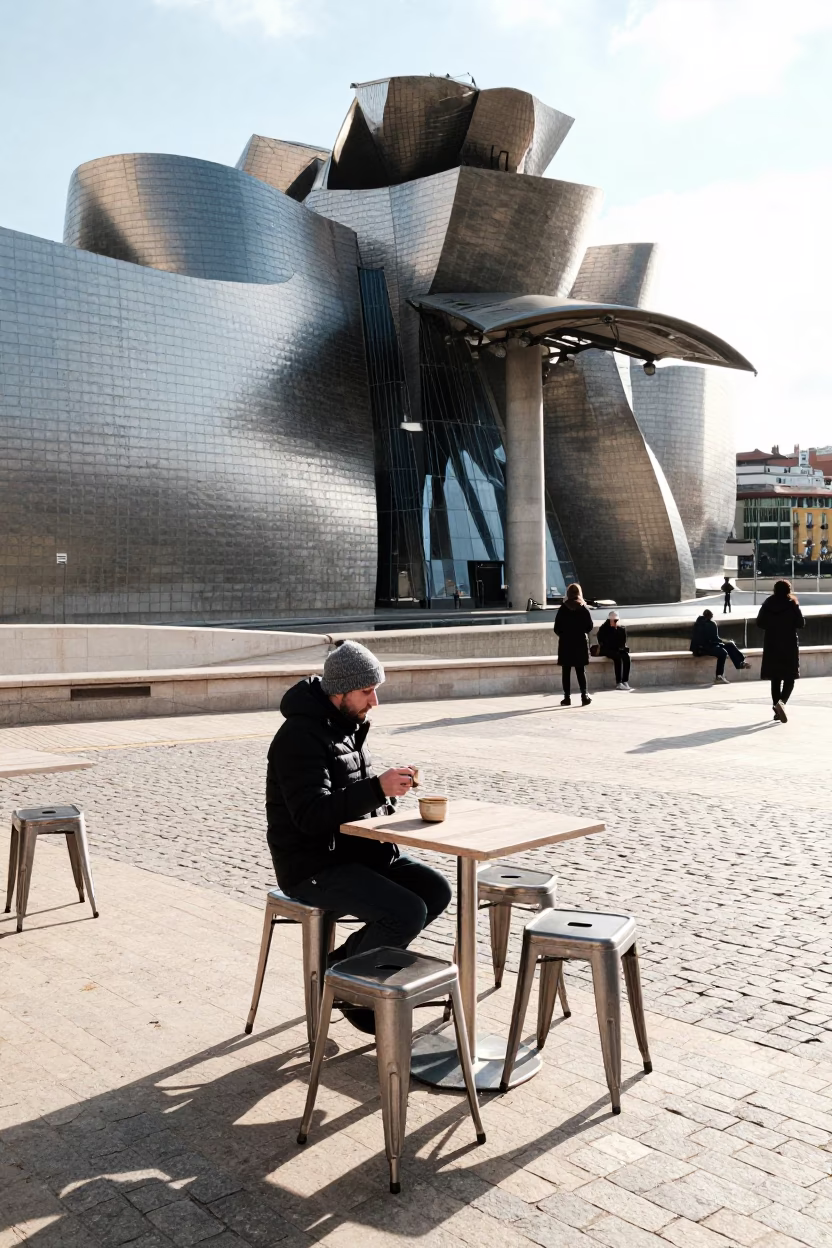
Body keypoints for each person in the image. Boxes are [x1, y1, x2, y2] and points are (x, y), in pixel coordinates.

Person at [266, 639, 452, 1032]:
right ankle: (349, 986)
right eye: (368, 691)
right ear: (340, 691)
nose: (375, 701)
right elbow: (311, 815)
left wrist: (387, 798)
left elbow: (347, 794)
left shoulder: (346, 727)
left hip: (354, 852)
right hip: (311, 863)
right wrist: (375, 788)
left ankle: (343, 967)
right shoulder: (298, 737)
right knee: (405, 911)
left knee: (435, 890)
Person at [756, 579, 805, 722]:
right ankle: (782, 703)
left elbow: (759, 623)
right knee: (790, 677)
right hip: (789, 644)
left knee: (775, 678)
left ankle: (777, 708)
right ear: (788, 590)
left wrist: (772, 626)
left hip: (772, 644)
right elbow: (801, 623)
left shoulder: (768, 604)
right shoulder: (792, 604)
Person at [554, 583, 593, 706]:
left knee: (566, 671)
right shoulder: (583, 608)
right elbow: (589, 626)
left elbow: (556, 628)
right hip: (580, 642)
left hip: (566, 643)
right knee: (580, 670)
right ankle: (584, 696)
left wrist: (564, 634)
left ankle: (567, 697)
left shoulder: (563, 608)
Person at [690, 608, 751, 683]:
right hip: (703, 649)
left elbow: (710, 639)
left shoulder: (698, 623)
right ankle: (719, 676)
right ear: (711, 616)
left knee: (729, 646)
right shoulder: (711, 624)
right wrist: (724, 642)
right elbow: (714, 638)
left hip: (699, 649)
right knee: (723, 652)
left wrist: (724, 642)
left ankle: (740, 663)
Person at [597, 610, 632, 690]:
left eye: (616, 620)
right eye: (613, 620)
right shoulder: (604, 628)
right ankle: (618, 682)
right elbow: (602, 641)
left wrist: (616, 629)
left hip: (618, 649)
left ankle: (625, 680)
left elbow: (623, 641)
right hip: (607, 649)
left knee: (626, 657)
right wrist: (612, 630)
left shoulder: (621, 629)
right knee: (617, 658)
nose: (615, 622)